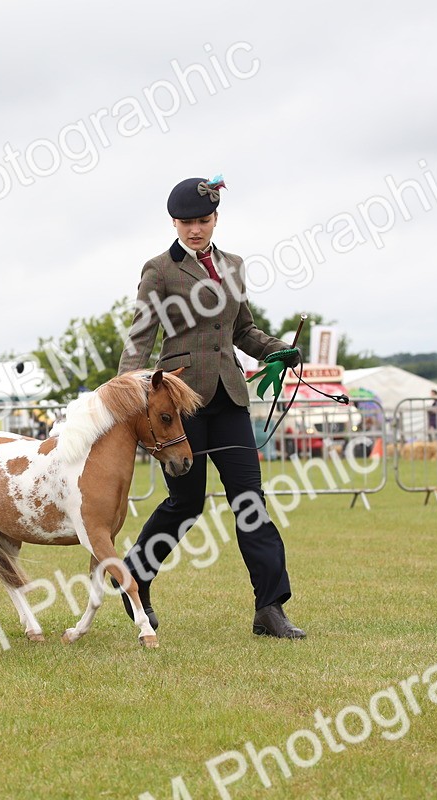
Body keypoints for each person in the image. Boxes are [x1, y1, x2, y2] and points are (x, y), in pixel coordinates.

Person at [116, 175, 305, 639]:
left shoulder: (235, 266)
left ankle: (270, 607)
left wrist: (277, 350)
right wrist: (125, 396)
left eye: (202, 220)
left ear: (216, 218)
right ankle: (134, 580)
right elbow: (141, 338)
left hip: (230, 397)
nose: (195, 230)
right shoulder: (159, 270)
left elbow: (242, 330)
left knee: (249, 502)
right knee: (185, 504)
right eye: (186, 222)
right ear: (174, 223)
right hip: (181, 403)